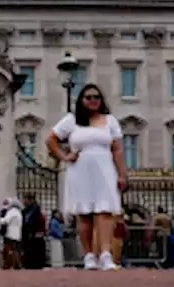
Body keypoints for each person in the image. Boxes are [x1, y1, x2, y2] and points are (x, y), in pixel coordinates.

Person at [46, 82, 128, 271]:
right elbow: (50, 139)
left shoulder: (110, 121)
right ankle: (89, 255)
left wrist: (122, 174)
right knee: (84, 213)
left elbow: (117, 149)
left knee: (105, 211)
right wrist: (65, 157)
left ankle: (106, 254)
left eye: (96, 97)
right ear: (81, 100)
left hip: (105, 168)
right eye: (88, 97)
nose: (93, 100)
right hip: (80, 169)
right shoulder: (71, 120)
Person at [21, 194, 47, 269]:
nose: (23, 201)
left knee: (34, 255)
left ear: (31, 200)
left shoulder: (35, 210)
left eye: (25, 199)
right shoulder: (26, 211)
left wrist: (31, 232)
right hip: (29, 236)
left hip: (34, 236)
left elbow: (34, 223)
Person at [0, 198, 23, 270]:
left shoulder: (11, 212)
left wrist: (0, 219)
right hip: (17, 233)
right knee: (16, 249)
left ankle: (9, 264)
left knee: (9, 249)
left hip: (10, 233)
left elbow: (5, 221)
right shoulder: (19, 212)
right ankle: (16, 263)